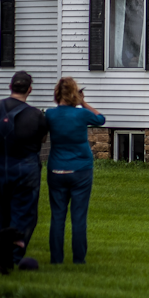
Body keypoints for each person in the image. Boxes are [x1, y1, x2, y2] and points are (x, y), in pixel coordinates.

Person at [0, 70, 49, 268]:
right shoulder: (36, 115)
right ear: (29, 90)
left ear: (10, 86)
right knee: (23, 215)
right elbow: (42, 139)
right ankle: (12, 257)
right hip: (25, 170)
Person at [45, 77, 104, 265]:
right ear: (74, 94)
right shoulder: (81, 115)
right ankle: (79, 259)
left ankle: (56, 259)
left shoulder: (50, 115)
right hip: (81, 170)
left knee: (57, 216)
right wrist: (83, 102)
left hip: (56, 168)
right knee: (78, 217)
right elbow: (100, 119)